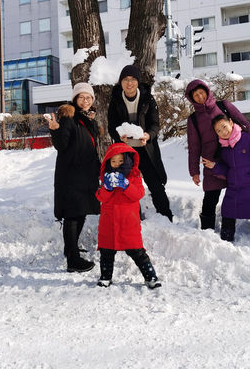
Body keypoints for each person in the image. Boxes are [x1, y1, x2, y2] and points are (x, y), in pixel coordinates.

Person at [202, 113, 250, 252]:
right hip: (238, 185)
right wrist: (214, 166)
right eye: (218, 130)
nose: (223, 131)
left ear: (231, 123)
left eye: (224, 127)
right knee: (228, 208)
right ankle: (225, 241)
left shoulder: (248, 137)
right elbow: (228, 170)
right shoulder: (224, 149)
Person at [107, 65, 173, 221]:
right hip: (126, 152)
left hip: (146, 149)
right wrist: (119, 137)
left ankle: (167, 218)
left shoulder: (147, 98)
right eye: (125, 80)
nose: (129, 83)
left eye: (133, 79)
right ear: (121, 83)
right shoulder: (115, 100)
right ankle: (133, 218)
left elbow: (155, 124)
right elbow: (111, 126)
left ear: (138, 82)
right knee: (128, 186)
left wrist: (148, 135)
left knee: (156, 185)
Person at [47, 82, 101, 272]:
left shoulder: (87, 119)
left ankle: (71, 248)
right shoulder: (69, 118)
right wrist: (55, 130)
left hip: (86, 174)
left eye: (88, 97)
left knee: (82, 211)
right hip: (71, 173)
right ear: (75, 99)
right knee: (72, 214)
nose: (85, 100)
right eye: (81, 97)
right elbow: (62, 145)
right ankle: (73, 260)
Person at [185, 80, 250, 230]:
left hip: (233, 157)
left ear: (207, 91)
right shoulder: (193, 119)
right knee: (210, 198)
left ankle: (231, 228)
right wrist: (194, 171)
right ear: (192, 98)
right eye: (196, 95)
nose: (200, 96)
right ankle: (207, 231)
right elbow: (194, 147)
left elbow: (243, 123)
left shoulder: (223, 106)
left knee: (237, 196)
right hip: (211, 162)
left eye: (201, 92)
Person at [95, 142, 161, 289]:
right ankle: (105, 277)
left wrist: (125, 185)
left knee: (137, 251)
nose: (117, 164)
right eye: (113, 161)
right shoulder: (106, 177)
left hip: (128, 222)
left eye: (120, 161)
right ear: (108, 162)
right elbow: (100, 197)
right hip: (109, 222)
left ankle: (151, 277)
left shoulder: (134, 175)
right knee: (106, 252)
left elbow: (138, 194)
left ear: (127, 160)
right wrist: (107, 187)